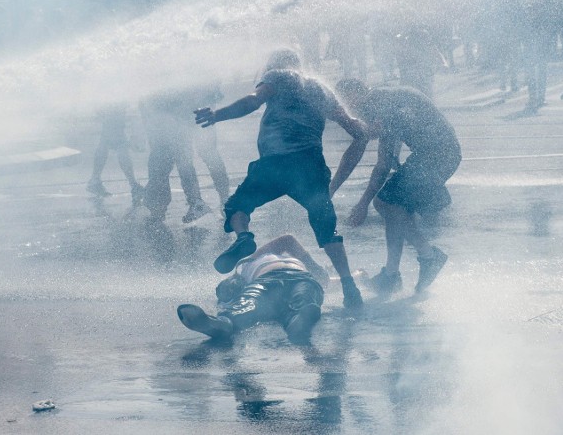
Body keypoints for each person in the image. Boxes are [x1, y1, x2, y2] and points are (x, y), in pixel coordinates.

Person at [194, 49, 367, 309]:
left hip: (275, 163)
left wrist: (218, 115)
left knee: (237, 206)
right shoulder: (322, 90)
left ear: (275, 65)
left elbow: (253, 100)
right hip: (310, 166)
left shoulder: (280, 76)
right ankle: (348, 285)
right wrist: (366, 130)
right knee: (326, 227)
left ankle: (243, 237)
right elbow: (353, 126)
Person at [333, 79, 461, 296]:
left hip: (437, 156)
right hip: (438, 155)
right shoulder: (384, 99)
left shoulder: (381, 102)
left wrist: (362, 204)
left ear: (357, 92)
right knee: (394, 208)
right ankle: (391, 275)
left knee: (384, 202)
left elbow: (382, 165)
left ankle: (428, 256)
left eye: (347, 103)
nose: (350, 112)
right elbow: (383, 160)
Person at [177, 234, 329, 344]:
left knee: (304, 296)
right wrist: (229, 289)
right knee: (249, 303)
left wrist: (313, 266)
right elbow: (226, 295)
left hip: (301, 277)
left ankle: (299, 320)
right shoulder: (241, 277)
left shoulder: (250, 260)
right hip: (265, 281)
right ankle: (220, 324)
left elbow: (287, 239)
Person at [140, 89, 213, 229]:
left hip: (170, 126)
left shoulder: (162, 85)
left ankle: (160, 209)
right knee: (178, 163)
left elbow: (156, 106)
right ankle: (193, 203)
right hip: (172, 125)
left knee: (162, 167)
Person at [86, 103, 145, 206]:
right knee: (118, 141)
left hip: (108, 101)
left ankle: (95, 180)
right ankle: (133, 185)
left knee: (108, 138)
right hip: (113, 101)